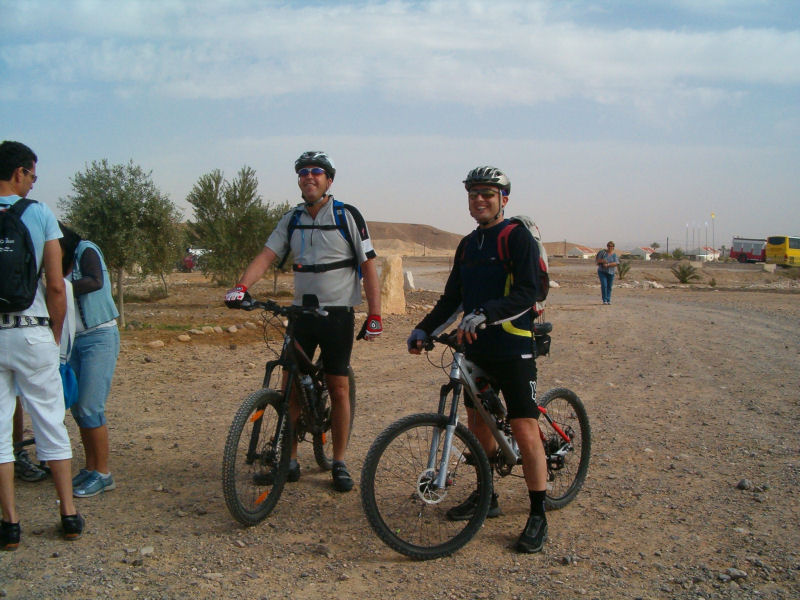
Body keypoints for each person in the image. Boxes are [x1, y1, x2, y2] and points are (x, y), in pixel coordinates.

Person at [406, 166, 549, 553]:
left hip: (514, 347)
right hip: (477, 350)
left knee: (524, 428)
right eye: (473, 194)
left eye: (487, 194)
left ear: (504, 199)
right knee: (478, 425)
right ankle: (488, 497)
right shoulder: (468, 245)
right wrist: (423, 329)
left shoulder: (516, 237)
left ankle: (538, 513)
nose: (479, 200)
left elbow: (528, 292)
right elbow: (452, 299)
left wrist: (486, 312)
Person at [225, 151, 381, 492]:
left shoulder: (346, 215)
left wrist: (375, 315)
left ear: (328, 180)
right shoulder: (291, 218)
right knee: (290, 387)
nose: (309, 176)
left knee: (338, 388)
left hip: (337, 314)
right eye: (303, 172)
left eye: (316, 172)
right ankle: (290, 460)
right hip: (301, 315)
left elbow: (368, 265)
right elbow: (267, 255)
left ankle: (338, 461)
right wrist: (241, 287)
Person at [0, 140, 84, 550]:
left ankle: (9, 524)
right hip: (31, 330)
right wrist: (53, 335)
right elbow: (55, 284)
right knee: (50, 422)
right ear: (19, 172)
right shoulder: (40, 214)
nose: (33, 182)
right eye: (32, 175)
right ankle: (68, 515)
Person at [60, 224, 120, 498]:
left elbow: (95, 280)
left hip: (99, 336)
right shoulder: (58, 260)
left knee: (90, 406)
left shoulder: (86, 249)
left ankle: (104, 474)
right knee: (78, 408)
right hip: (73, 340)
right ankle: (90, 467)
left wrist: (58, 286)